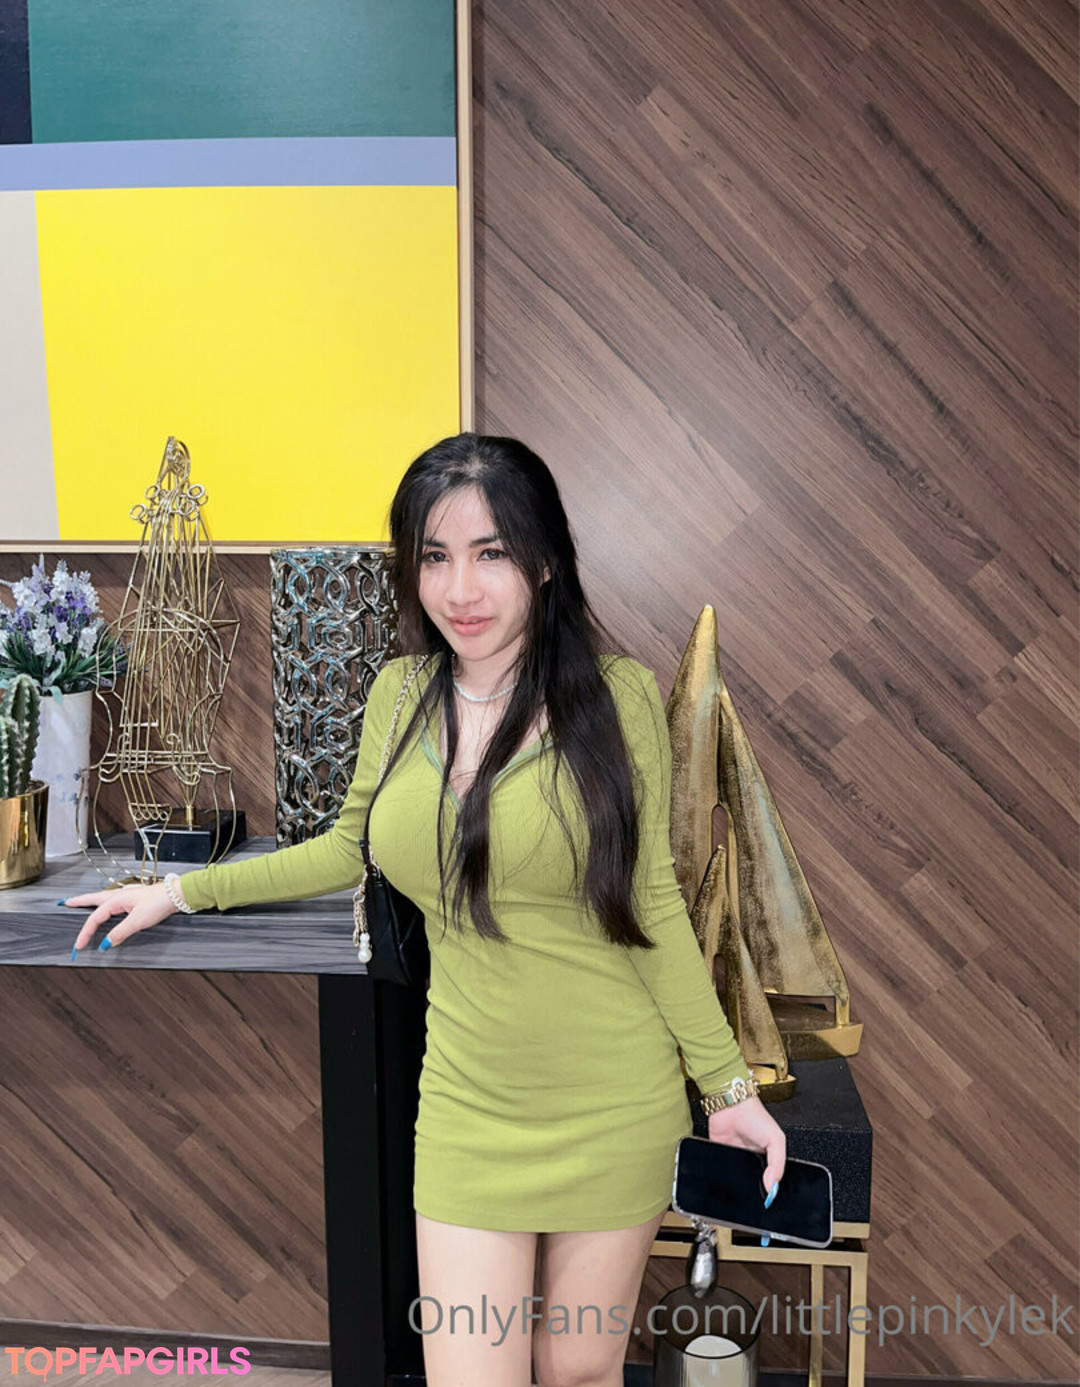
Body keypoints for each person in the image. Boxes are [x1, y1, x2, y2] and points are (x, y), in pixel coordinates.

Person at [64, 432, 786, 1387]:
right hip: (467, 1105)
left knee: (578, 1368)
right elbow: (342, 849)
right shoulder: (398, 694)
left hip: (614, 1101)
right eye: (435, 557)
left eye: (491, 553)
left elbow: (652, 905)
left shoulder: (618, 698)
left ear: (545, 561)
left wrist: (730, 1090)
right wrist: (175, 889)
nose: (461, 589)